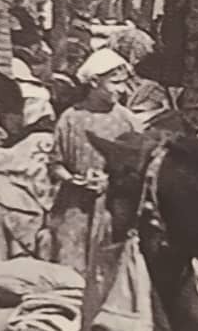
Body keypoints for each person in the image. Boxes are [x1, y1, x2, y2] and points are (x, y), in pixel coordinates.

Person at [46, 48, 141, 272]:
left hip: (112, 209)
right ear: (94, 82)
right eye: (115, 83)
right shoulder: (71, 118)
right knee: (71, 268)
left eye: (124, 83)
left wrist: (109, 181)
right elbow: (55, 162)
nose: (122, 89)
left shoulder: (128, 120)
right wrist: (71, 179)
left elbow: (138, 168)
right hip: (75, 207)